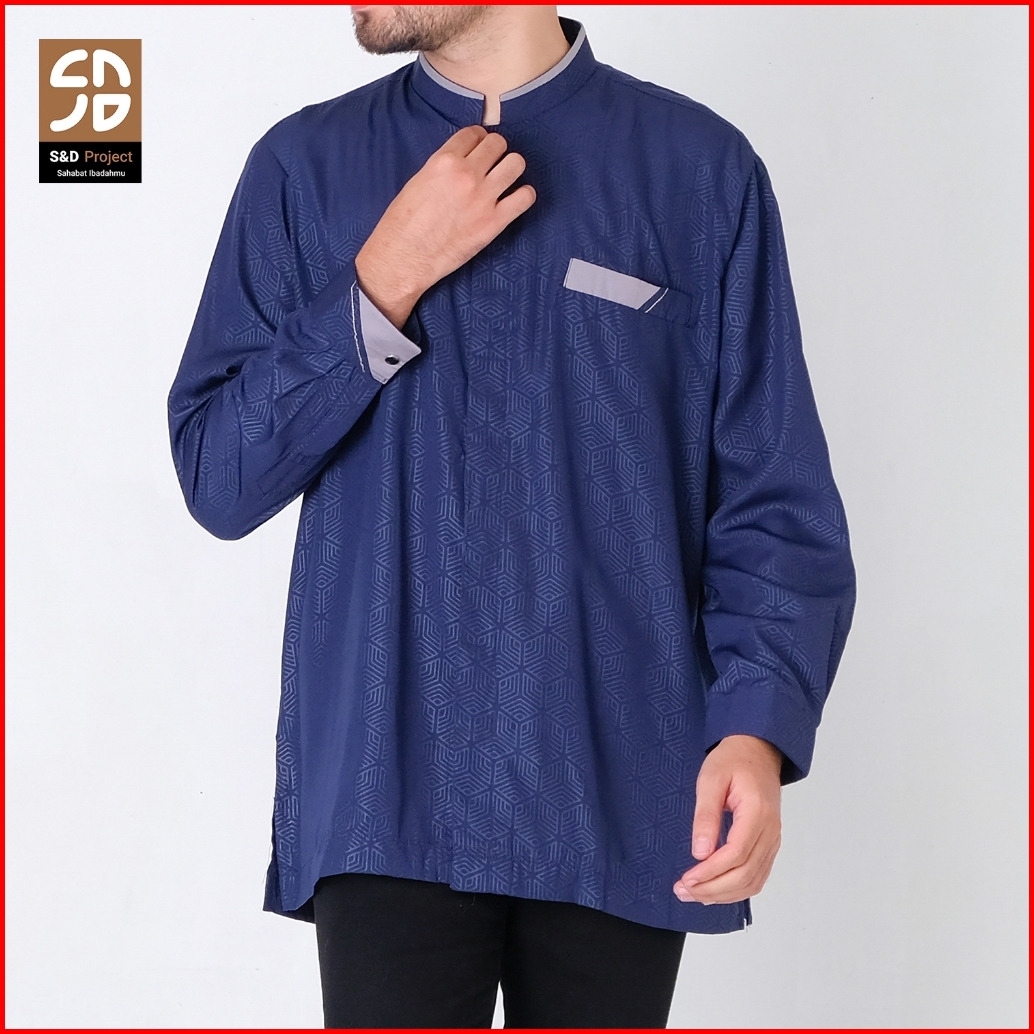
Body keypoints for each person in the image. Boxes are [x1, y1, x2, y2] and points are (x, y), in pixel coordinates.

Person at [167, 6, 856, 1028]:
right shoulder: (302, 170)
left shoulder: (699, 172)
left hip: (617, 780)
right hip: (383, 785)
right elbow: (218, 476)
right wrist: (383, 276)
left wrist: (756, 728)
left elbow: (772, 497)